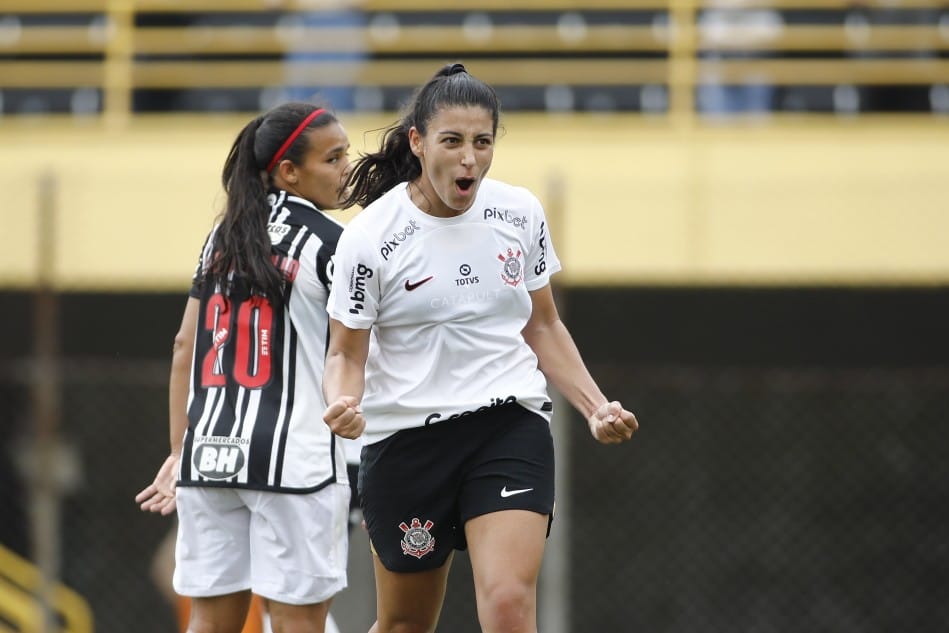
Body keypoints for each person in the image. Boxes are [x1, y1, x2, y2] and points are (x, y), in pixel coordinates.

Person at [321, 63, 639, 633]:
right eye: (452, 141)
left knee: (509, 604)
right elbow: (345, 353)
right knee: (404, 624)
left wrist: (596, 407)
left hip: (506, 426)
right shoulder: (369, 239)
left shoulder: (520, 213)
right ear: (417, 143)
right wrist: (343, 403)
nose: (469, 158)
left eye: (482, 142)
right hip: (405, 442)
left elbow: (542, 325)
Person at [134, 101, 354, 633]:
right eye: (334, 157)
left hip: (209, 458)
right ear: (288, 172)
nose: (347, 167)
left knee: (209, 622)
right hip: (297, 461)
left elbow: (185, 345)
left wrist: (179, 450)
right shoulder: (333, 244)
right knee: (297, 622)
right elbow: (354, 350)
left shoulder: (220, 238)